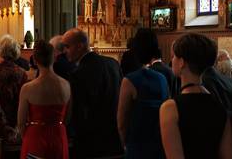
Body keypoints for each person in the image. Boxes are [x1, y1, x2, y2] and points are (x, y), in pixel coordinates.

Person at [159, 34, 232, 159]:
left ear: (182, 62)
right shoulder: (219, 105)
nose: (172, 61)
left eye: (174, 56)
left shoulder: (170, 108)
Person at [62, 28, 123, 158]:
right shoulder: (113, 64)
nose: (64, 51)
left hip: (91, 144)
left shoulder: (78, 74)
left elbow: (80, 113)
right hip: (115, 139)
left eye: (67, 47)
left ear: (80, 46)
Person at [117, 28, 169, 158]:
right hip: (159, 142)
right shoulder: (162, 79)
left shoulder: (129, 81)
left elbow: (122, 121)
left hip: (137, 144)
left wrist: (124, 145)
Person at [17, 41, 70, 159]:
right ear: (54, 58)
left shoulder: (28, 88)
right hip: (58, 136)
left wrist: (26, 137)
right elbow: (67, 118)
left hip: (35, 136)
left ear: (35, 60)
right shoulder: (66, 85)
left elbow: (21, 123)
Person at [0, 35, 27, 133]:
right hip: (17, 119)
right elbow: (22, 100)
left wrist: (3, 123)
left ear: (1, 51)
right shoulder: (22, 73)